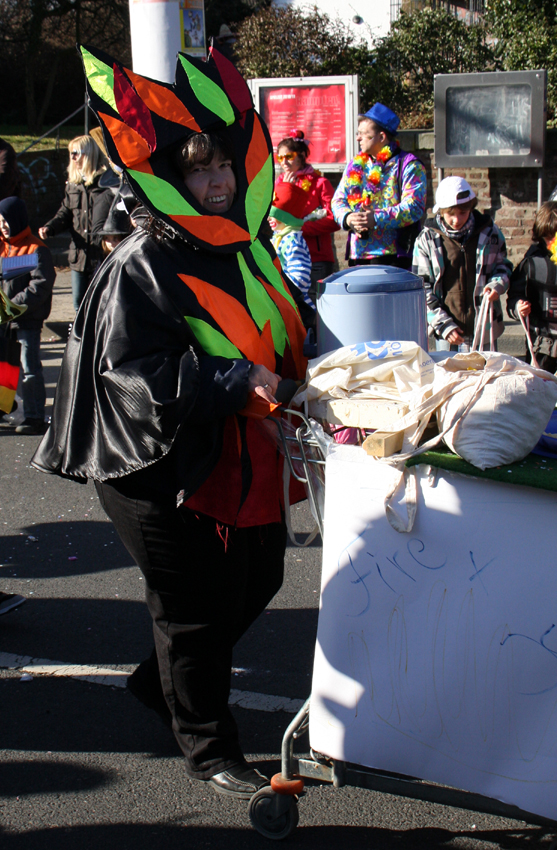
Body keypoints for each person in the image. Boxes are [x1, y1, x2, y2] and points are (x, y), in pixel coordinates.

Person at [32, 44, 312, 800]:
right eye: (199, 170)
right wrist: (238, 379)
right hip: (152, 463)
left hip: (235, 451)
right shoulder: (142, 261)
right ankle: (208, 746)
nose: (217, 182)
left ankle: (162, 686)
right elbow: (133, 375)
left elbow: (294, 320)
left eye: (223, 167)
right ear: (167, 178)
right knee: (190, 611)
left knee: (258, 578)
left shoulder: (249, 246)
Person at [412, 176, 511, 352]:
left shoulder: (490, 233)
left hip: (483, 327)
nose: (456, 220)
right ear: (441, 211)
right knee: (451, 377)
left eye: (463, 213)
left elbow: (503, 265)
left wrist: (497, 285)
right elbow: (421, 287)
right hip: (447, 329)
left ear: (471, 209)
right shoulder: (427, 239)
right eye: (450, 214)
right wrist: (442, 324)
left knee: (483, 376)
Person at [332, 102, 427, 270]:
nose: (357, 138)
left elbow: (415, 207)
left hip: (394, 256)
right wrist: (348, 218)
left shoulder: (409, 165)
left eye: (363, 134)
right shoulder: (355, 165)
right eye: (357, 133)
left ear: (381, 137)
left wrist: (375, 218)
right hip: (358, 254)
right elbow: (338, 200)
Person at [0, 196, 55, 434]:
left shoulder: (35, 248)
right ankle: (4, 409)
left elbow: (40, 286)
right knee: (6, 369)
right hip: (5, 319)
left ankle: (35, 416)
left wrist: (12, 305)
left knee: (29, 368)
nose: (2, 225)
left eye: (6, 221)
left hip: (26, 318)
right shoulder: (2, 247)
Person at [38, 135, 112, 311]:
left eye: (76, 153)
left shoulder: (105, 183)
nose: (72, 157)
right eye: (70, 153)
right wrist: (50, 227)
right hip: (79, 255)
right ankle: (80, 338)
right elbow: (65, 212)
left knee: (100, 302)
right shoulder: (73, 185)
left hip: (100, 254)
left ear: (89, 154)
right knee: (79, 303)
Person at [274, 131, 339, 292]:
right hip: (286, 255)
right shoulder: (277, 183)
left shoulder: (320, 183)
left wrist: (300, 228)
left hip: (316, 258)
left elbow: (334, 218)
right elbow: (274, 218)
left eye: (289, 156)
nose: (284, 162)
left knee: (315, 310)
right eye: (280, 158)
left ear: (302, 155)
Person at [507, 202, 557, 374]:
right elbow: (514, 294)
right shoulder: (532, 262)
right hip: (541, 347)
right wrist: (518, 306)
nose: (553, 242)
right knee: (537, 395)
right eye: (548, 237)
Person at [269, 178, 313, 308]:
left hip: (295, 303)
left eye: (274, 215)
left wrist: (282, 291)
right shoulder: (277, 238)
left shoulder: (293, 241)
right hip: (281, 300)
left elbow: (300, 276)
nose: (269, 218)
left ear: (286, 218)